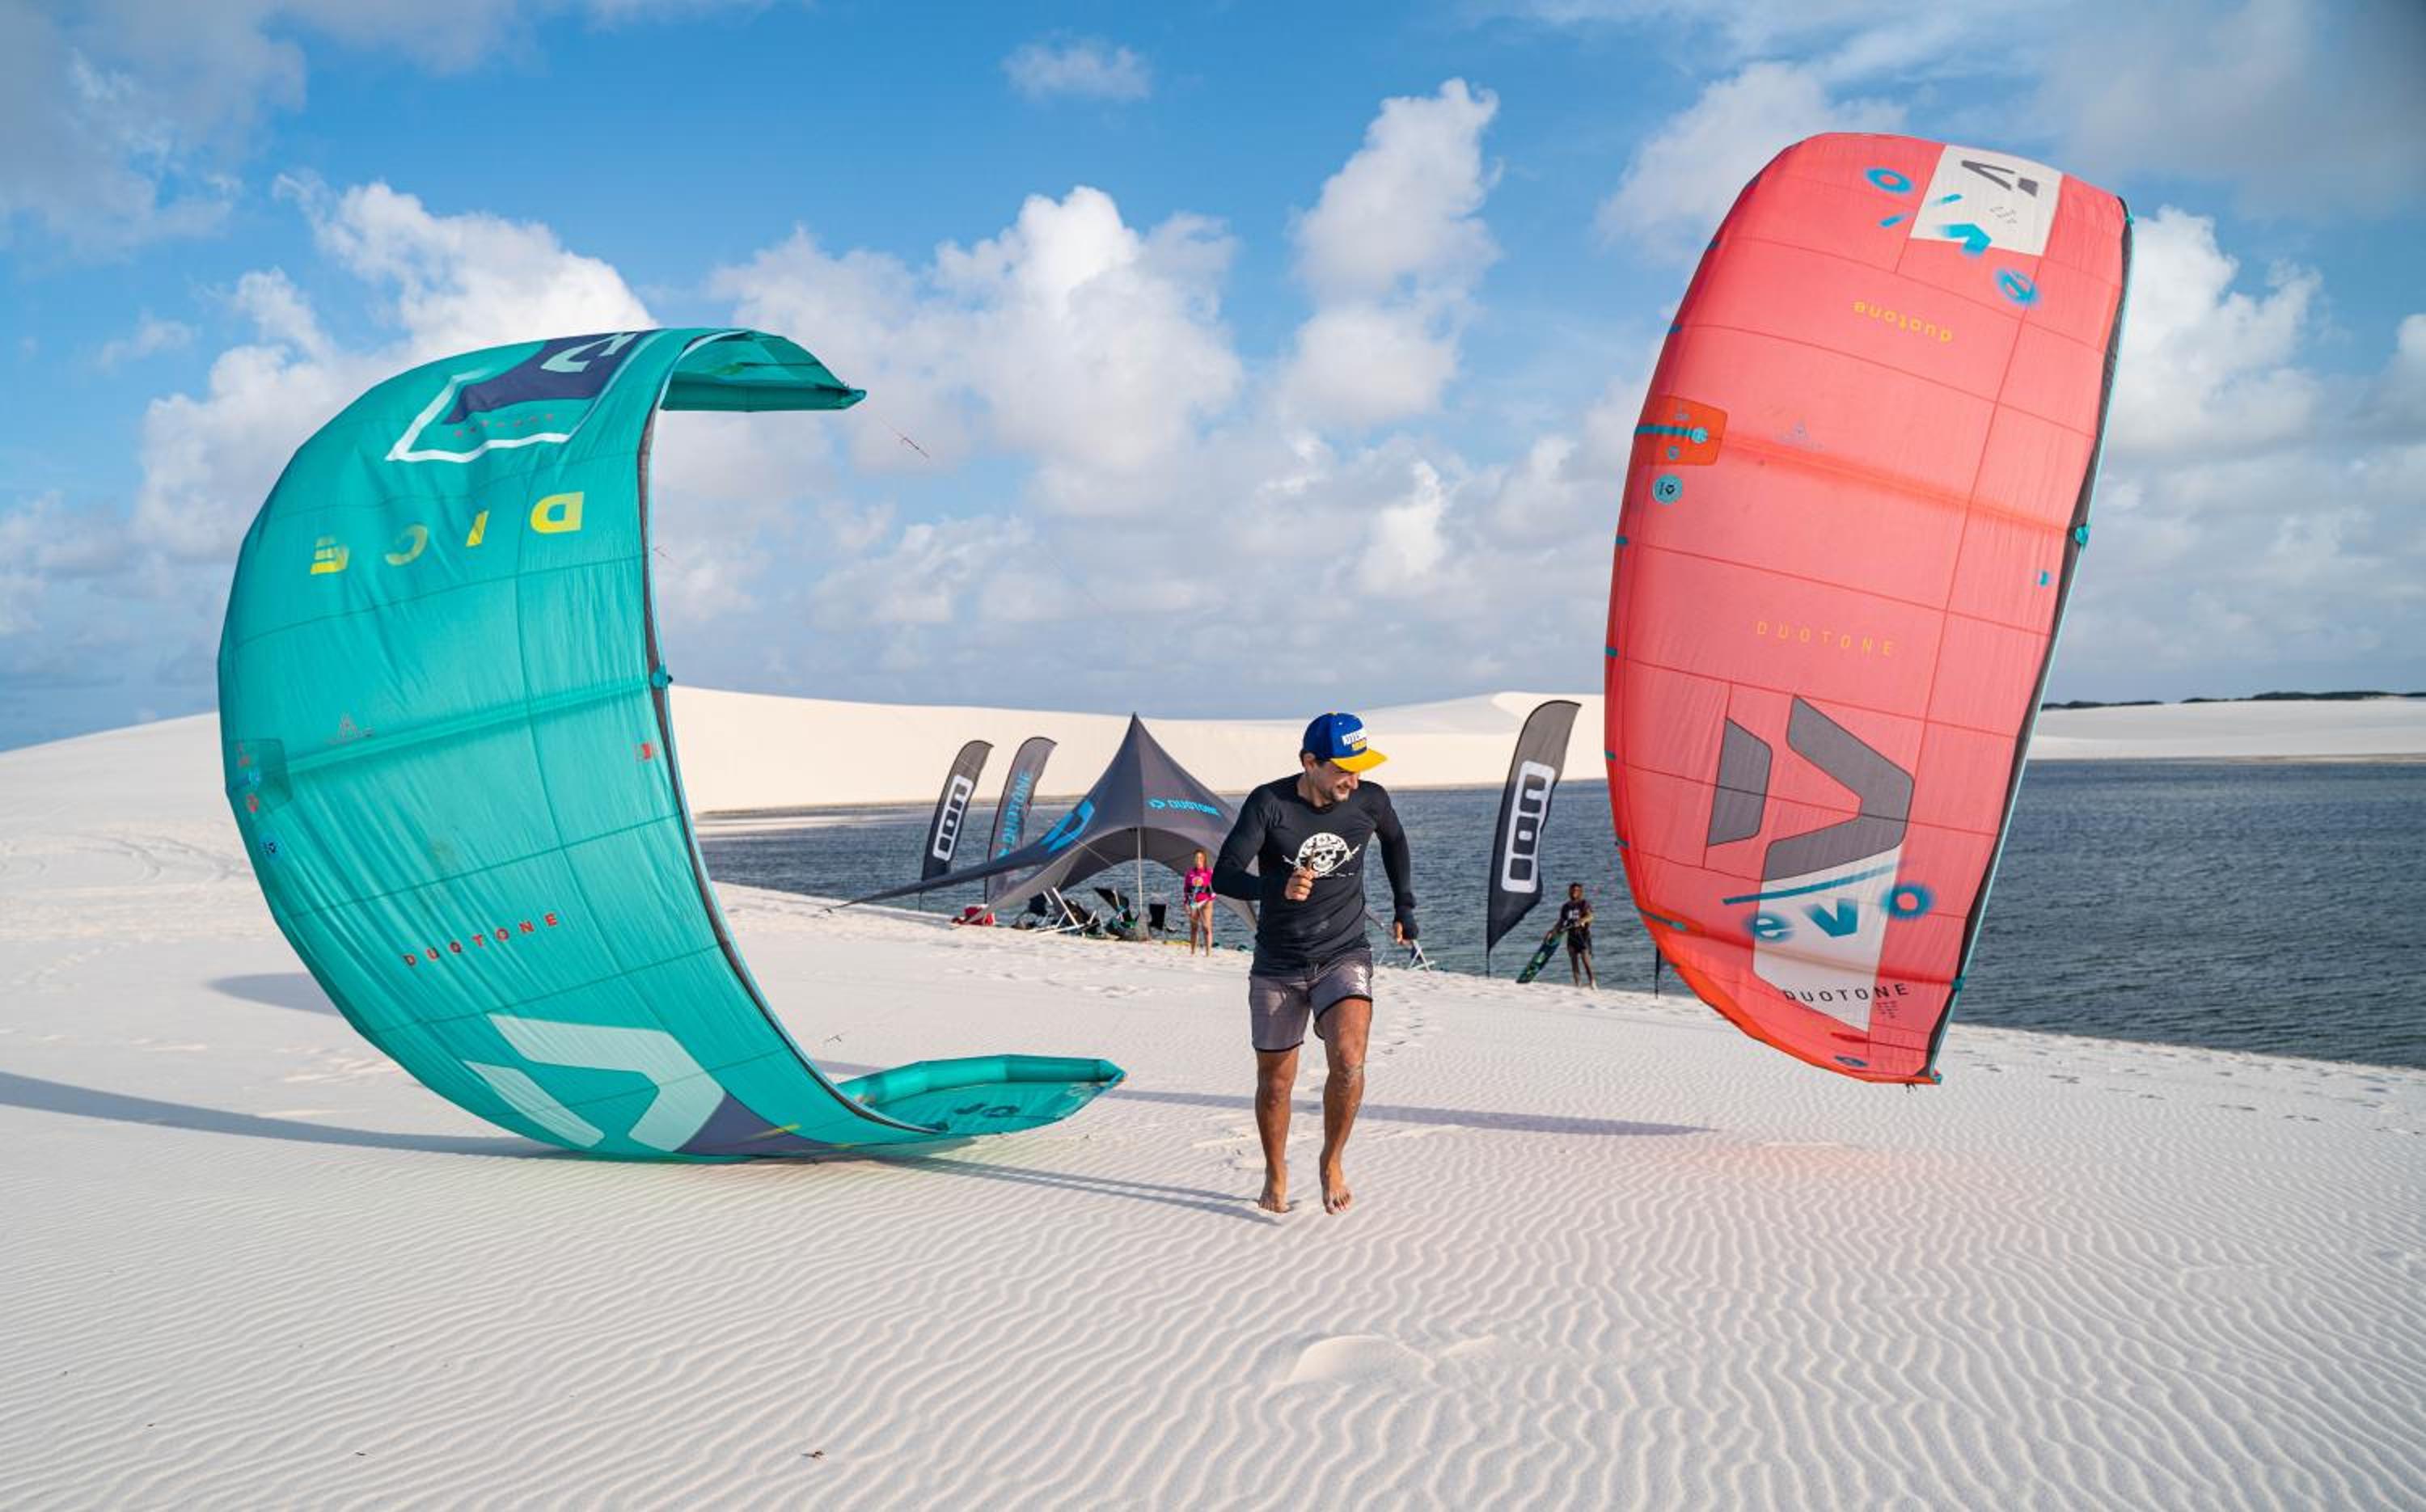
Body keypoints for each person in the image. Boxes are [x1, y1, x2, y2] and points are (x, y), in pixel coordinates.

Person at [1213, 712, 1417, 1216]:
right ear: (1310, 762)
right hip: (1278, 962)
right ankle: (1275, 1172)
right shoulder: (1270, 803)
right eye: (1344, 769)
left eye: (1360, 768)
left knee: (1348, 1059)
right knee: (1276, 1083)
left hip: (1343, 953)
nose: (1355, 779)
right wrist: (1274, 887)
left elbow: (1395, 841)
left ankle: (1332, 1160)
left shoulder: (1370, 801)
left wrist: (1404, 906)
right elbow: (1224, 874)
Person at [1551, 882, 1595, 988]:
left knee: (1586, 961)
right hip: (1571, 937)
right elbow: (1561, 922)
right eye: (1572, 890)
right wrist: (1553, 932)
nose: (1573, 892)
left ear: (1580, 892)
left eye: (1576, 890)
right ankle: (1578, 984)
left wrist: (1581, 921)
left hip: (1583, 936)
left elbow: (1590, 916)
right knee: (1574, 961)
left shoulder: (1584, 903)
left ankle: (1593, 983)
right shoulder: (1566, 906)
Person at [1185, 848, 1216, 956]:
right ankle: (1193, 952)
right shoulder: (1190, 873)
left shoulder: (1209, 872)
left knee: (1206, 927)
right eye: (1196, 858)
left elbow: (1214, 888)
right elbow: (1186, 890)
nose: (1198, 860)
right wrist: (1186, 903)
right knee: (1194, 927)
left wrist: (1210, 899)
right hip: (1193, 902)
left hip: (1206, 901)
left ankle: (1208, 953)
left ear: (1204, 859)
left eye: (1200, 858)